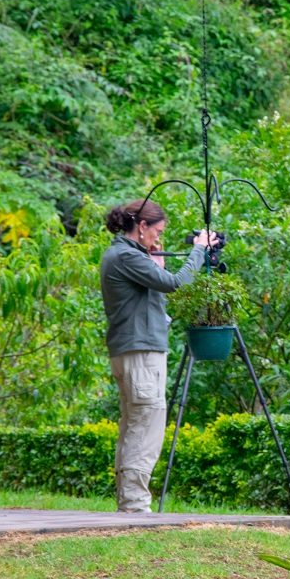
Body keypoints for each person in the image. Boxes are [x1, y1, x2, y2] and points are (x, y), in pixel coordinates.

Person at [100, 200, 215, 513]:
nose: (157, 239)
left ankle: (130, 500)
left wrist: (156, 264)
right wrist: (199, 250)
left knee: (134, 422)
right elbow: (176, 283)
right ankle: (135, 504)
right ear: (141, 227)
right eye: (156, 232)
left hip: (134, 350)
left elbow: (154, 291)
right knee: (145, 422)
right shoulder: (125, 255)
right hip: (140, 353)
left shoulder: (125, 255)